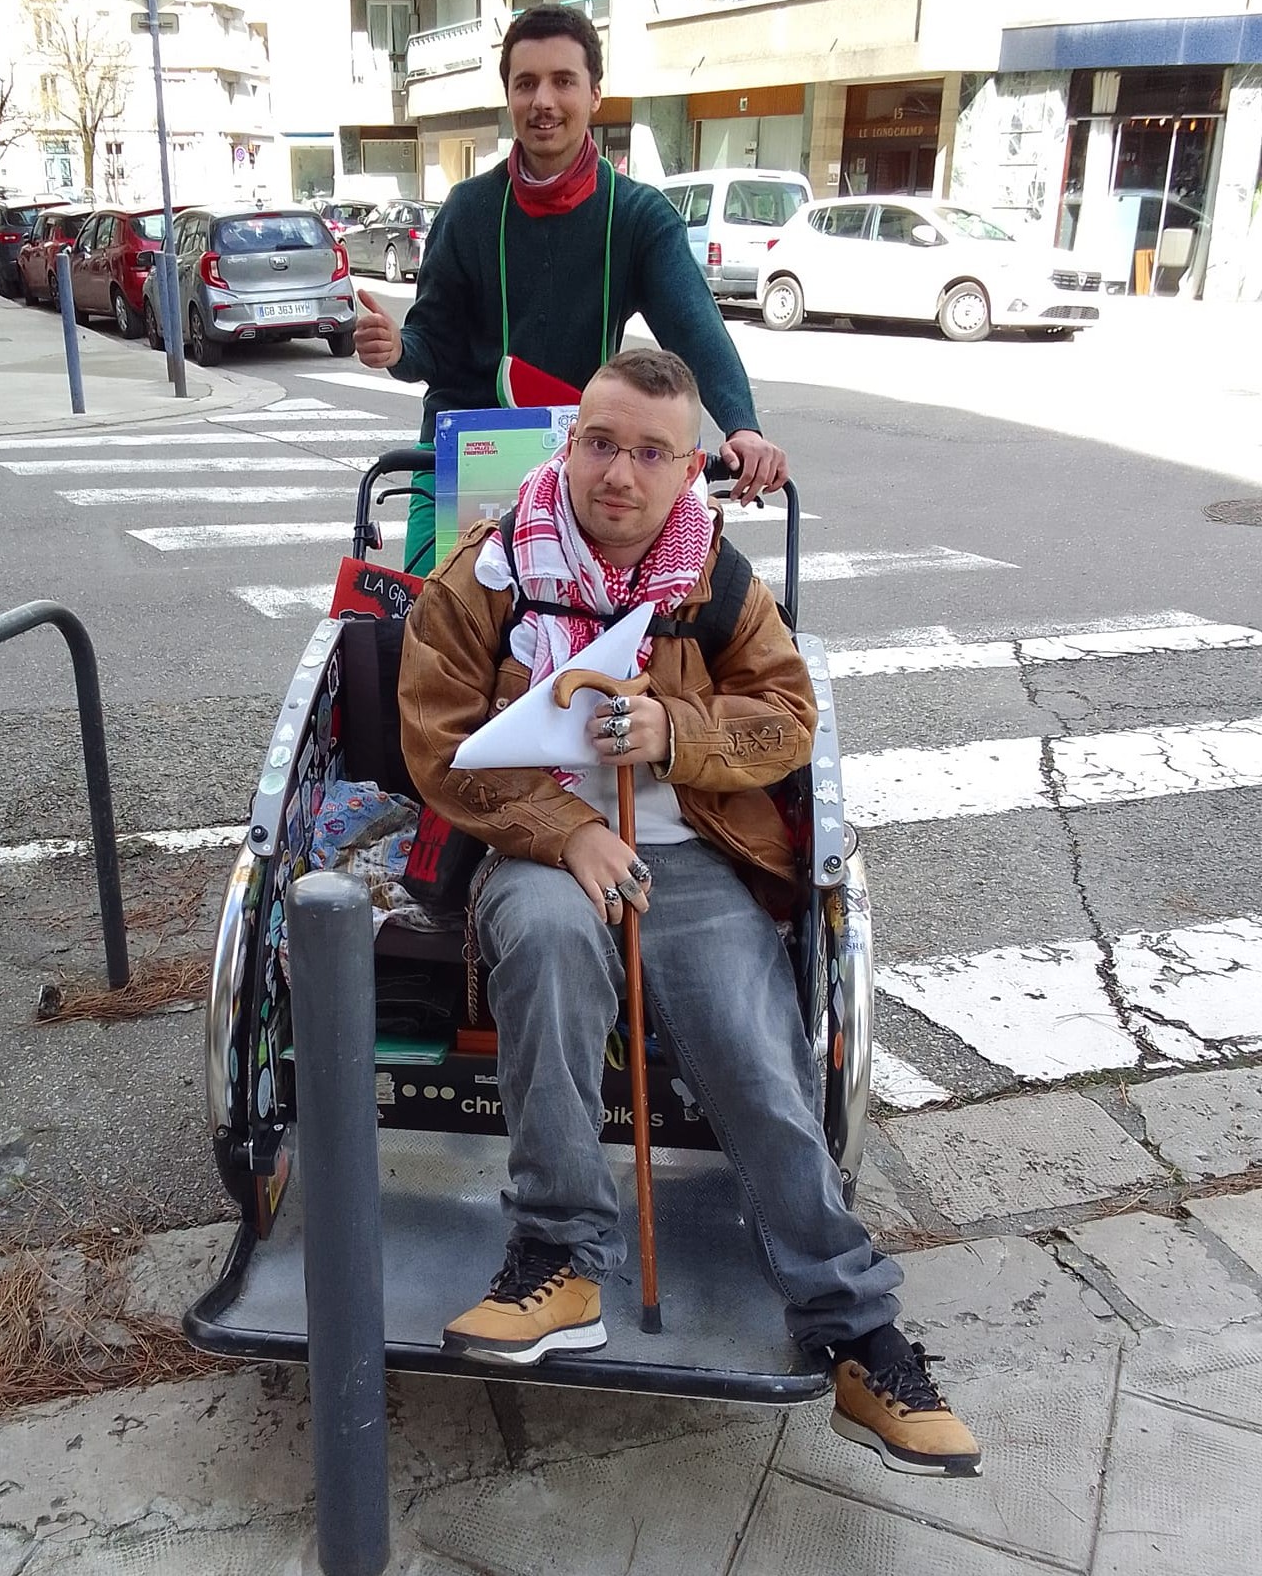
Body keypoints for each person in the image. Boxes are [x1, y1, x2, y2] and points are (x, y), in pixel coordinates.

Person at [398, 349, 982, 1481]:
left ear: (684, 473)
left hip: (695, 855)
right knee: (550, 945)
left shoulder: (713, 580)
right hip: (542, 847)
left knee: (760, 1058)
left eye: (650, 453)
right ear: (569, 445)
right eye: (600, 442)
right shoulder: (485, 573)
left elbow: (788, 715)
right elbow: (435, 743)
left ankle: (852, 1328)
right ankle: (556, 1263)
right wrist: (563, 829)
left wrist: (676, 732)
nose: (618, 472)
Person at [354, 3, 788, 574]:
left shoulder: (637, 215)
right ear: (508, 96)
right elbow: (431, 344)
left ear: (595, 95)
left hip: (585, 460)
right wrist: (398, 348)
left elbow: (694, 327)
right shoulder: (468, 210)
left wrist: (742, 426)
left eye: (564, 81)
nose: (543, 101)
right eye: (526, 83)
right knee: (425, 620)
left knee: (649, 618)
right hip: (463, 456)